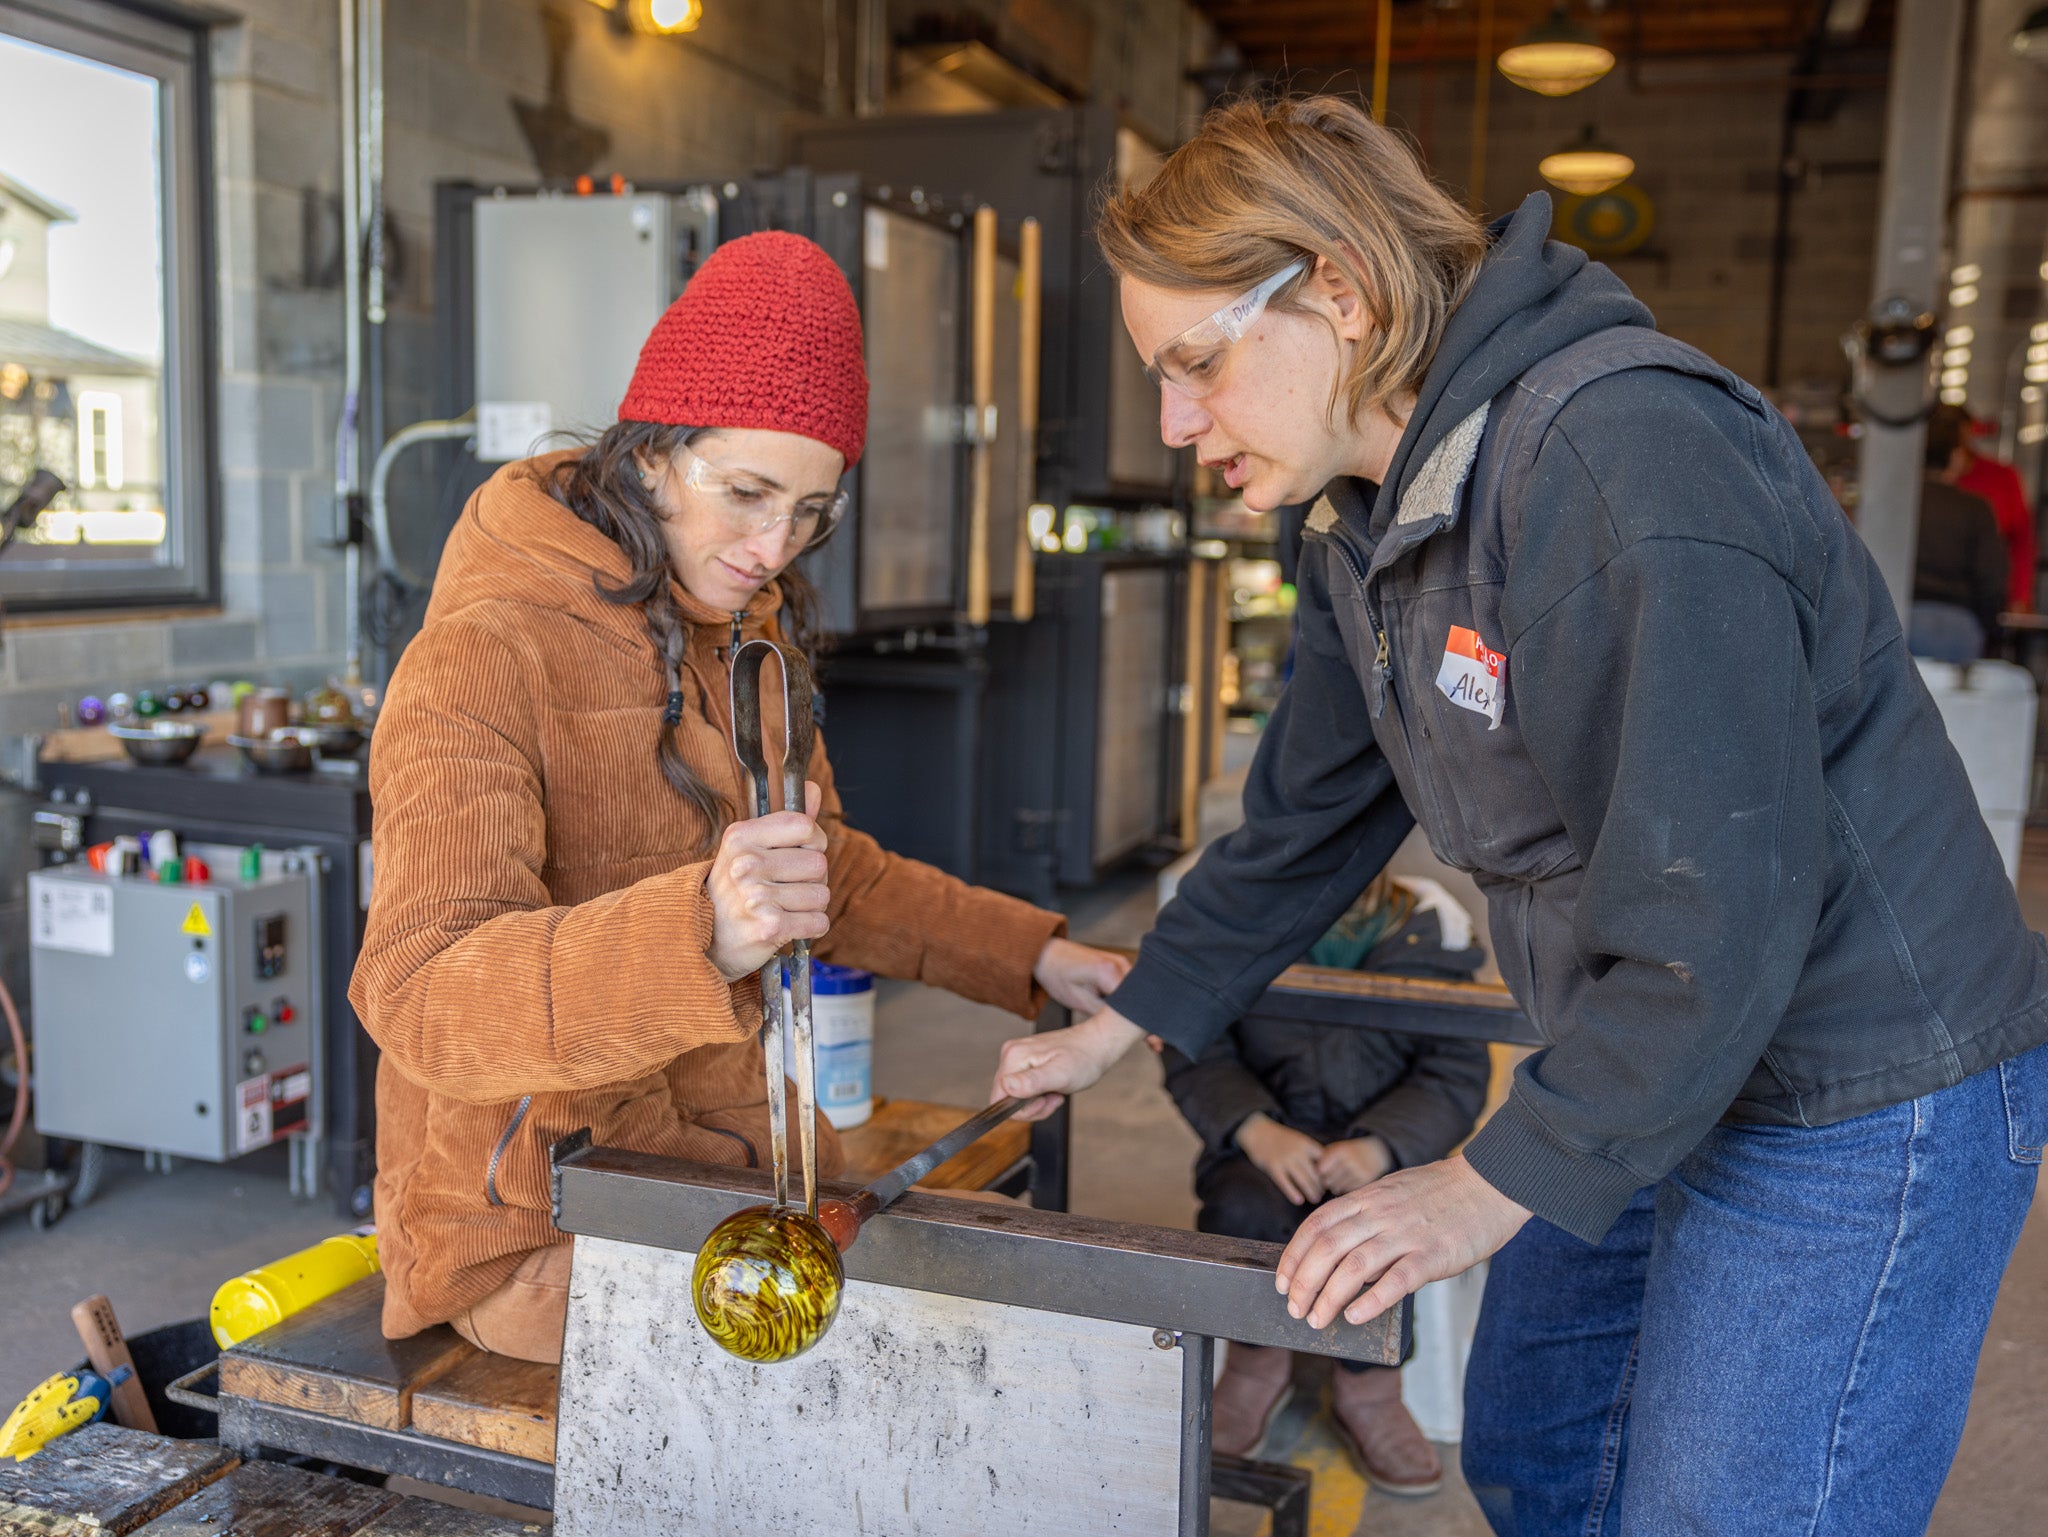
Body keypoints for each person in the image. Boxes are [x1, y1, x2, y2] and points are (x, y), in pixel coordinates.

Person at [990, 95, 2048, 1535]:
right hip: (1656, 1047)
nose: (1176, 424)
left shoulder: (1621, 461)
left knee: (1730, 1511)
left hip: (1851, 1082)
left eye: (1195, 365)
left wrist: (1480, 1185)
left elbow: (1720, 912)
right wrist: (1130, 1018)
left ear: (1341, 296)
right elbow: (1305, 819)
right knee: (1544, 1440)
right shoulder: (1360, 519)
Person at [350, 232, 1127, 1365]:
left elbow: (822, 871)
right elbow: (419, 995)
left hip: (736, 1166)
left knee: (994, 1318)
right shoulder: (485, 652)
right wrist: (696, 934)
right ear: (653, 455)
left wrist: (1032, 955)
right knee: (930, 1357)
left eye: (813, 509)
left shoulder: (738, 638)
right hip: (534, 1220)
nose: (776, 546)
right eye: (749, 493)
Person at [1164, 875, 1489, 1494]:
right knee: (1240, 1208)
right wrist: (1254, 1128)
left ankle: (1368, 1384)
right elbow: (1193, 1044)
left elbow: (1456, 1068)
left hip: (1383, 1150)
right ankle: (1256, 1363)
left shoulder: (1432, 938)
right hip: (1265, 1143)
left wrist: (1383, 1145)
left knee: (1383, 1225)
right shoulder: (1235, 921)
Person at [1910, 406, 2008, 662]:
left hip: (1896, 617)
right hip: (1956, 627)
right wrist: (1987, 626)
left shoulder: (1897, 502)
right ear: (1954, 456)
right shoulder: (1975, 508)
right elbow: (1991, 579)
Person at [1942, 404, 2035, 614]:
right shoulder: (1928, 483)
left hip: (1985, 600)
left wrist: (2020, 595)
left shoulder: (2002, 477)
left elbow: (2022, 542)